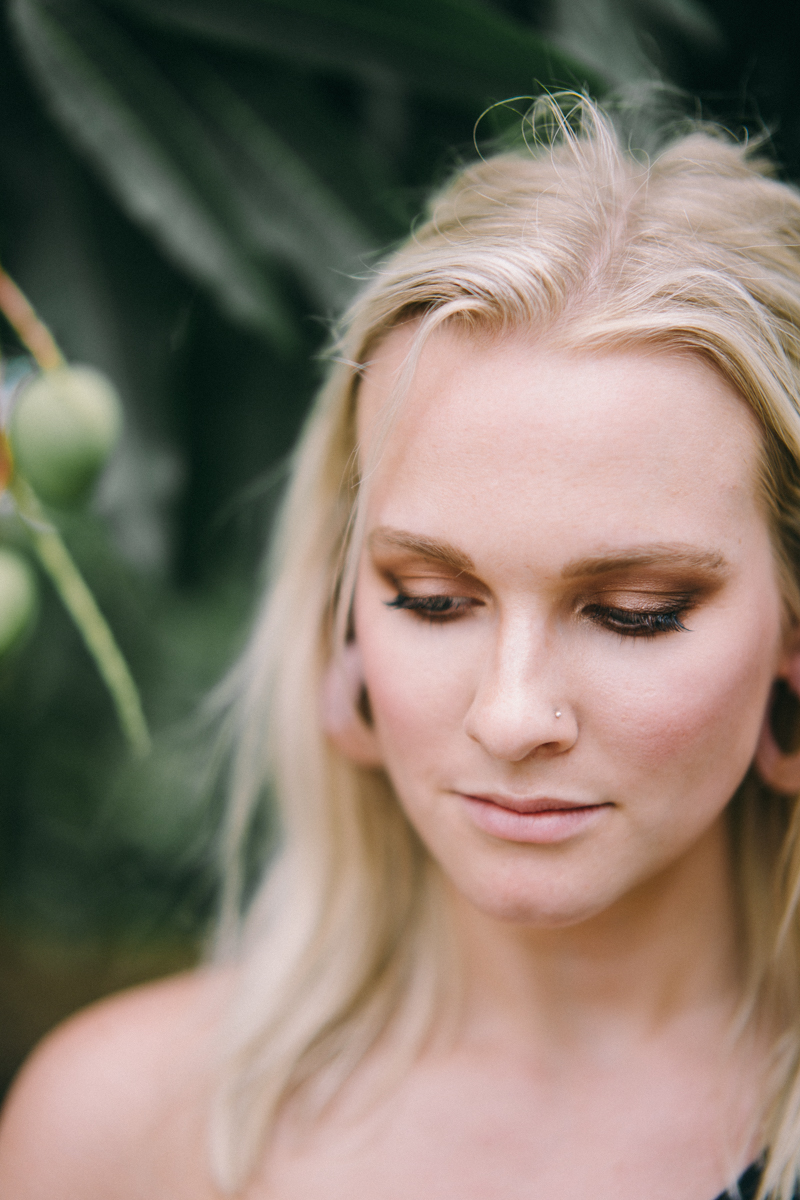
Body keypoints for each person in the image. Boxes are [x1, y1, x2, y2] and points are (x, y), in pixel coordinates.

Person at [2, 93, 800, 1199]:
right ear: (341, 614)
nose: (511, 716)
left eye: (634, 611)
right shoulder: (118, 1133)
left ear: (791, 640)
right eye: (430, 598)